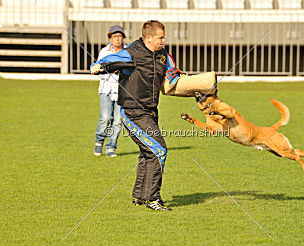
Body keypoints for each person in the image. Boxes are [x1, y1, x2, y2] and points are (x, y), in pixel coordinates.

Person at [90, 20, 216, 211]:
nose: (163, 41)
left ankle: (139, 196)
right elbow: (107, 61)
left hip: (150, 111)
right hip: (132, 111)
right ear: (148, 38)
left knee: (148, 153)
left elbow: (173, 79)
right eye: (161, 38)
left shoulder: (164, 56)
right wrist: (98, 66)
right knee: (159, 150)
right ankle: (153, 199)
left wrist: (196, 88)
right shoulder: (132, 52)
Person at [93, 25, 126, 157]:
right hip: (106, 88)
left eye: (119, 36)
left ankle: (111, 146)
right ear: (110, 38)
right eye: (114, 36)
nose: (117, 39)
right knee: (105, 118)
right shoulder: (104, 52)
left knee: (118, 121)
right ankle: (99, 141)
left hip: (122, 89)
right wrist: (111, 70)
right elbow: (98, 71)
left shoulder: (127, 51)